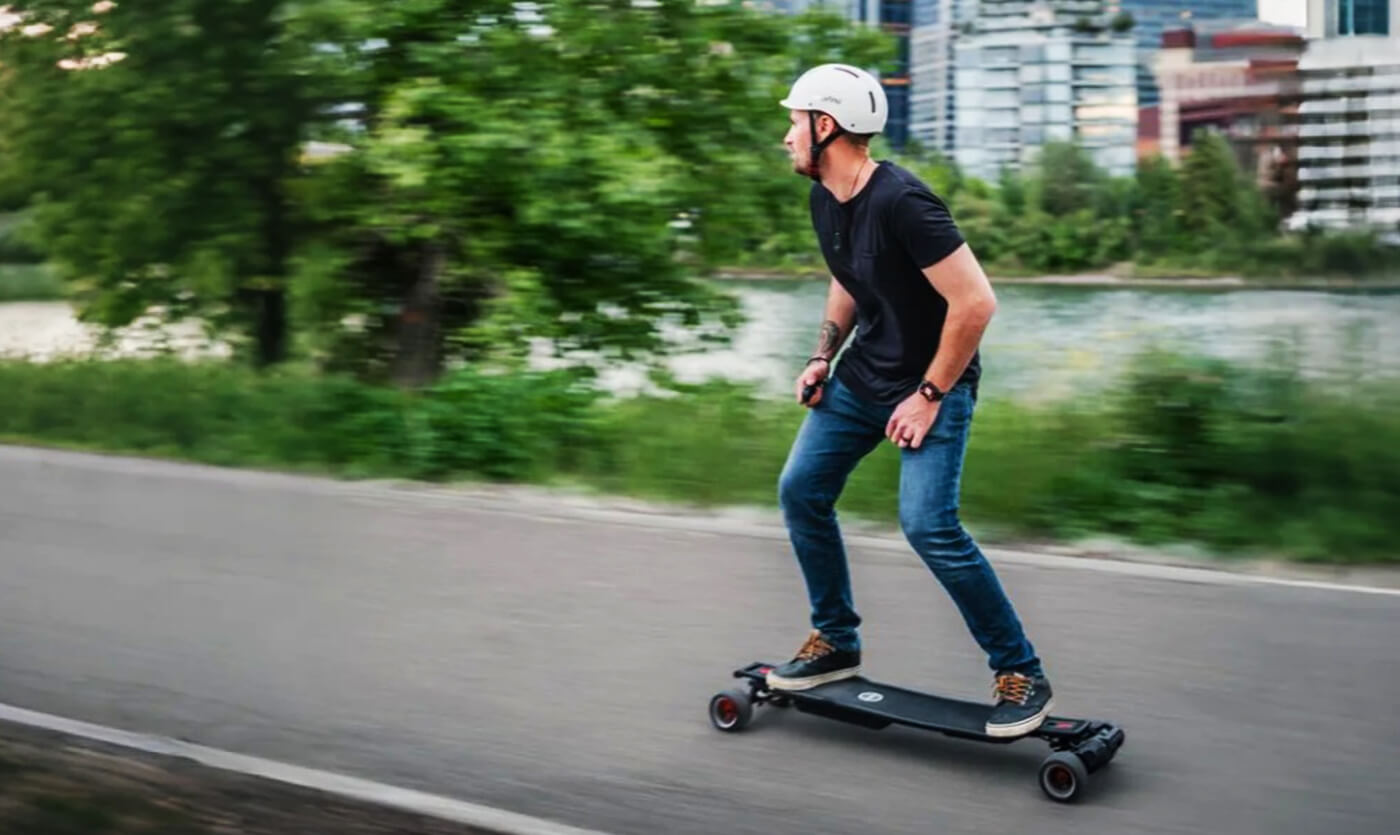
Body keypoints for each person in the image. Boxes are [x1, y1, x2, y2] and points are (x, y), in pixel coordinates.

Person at [767, 63, 1053, 738]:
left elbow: (976, 302)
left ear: (825, 125)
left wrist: (928, 395)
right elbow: (847, 278)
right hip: (861, 379)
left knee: (929, 527)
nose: (786, 136)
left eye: (794, 121)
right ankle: (836, 641)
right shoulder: (825, 198)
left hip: (933, 387)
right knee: (801, 491)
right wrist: (821, 355)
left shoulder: (905, 202)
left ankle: (1021, 672)